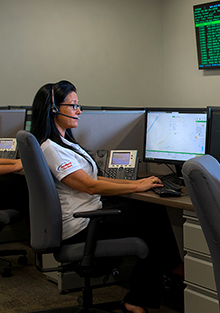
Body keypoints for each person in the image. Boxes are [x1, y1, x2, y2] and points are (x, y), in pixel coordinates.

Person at [30, 80, 183, 313]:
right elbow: (90, 186)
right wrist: (135, 188)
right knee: (152, 215)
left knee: (150, 218)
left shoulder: (65, 142)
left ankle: (158, 279)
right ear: (53, 109)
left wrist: (135, 184)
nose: (79, 111)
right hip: (81, 226)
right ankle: (162, 277)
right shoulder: (52, 149)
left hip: (88, 216)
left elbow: (96, 179)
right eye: (73, 105)